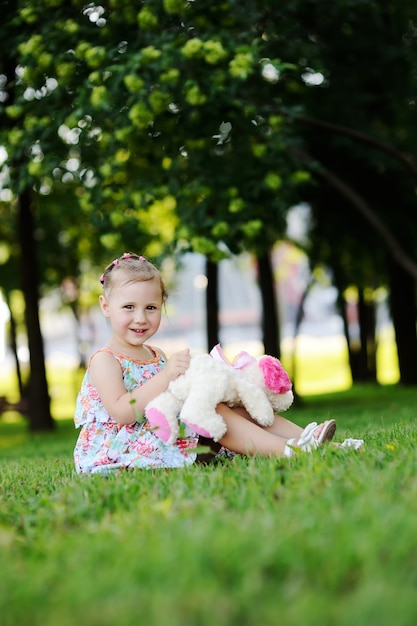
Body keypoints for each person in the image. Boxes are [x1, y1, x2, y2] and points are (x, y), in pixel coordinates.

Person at [73, 252, 354, 475]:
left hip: (166, 431)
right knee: (212, 413)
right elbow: (123, 412)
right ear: (106, 306)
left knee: (228, 406)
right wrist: (168, 375)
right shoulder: (105, 360)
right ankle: (290, 450)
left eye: (151, 308)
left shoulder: (155, 353)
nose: (140, 318)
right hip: (126, 445)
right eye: (128, 307)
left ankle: (314, 439)